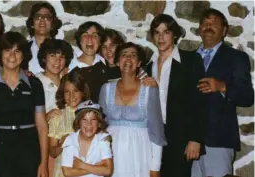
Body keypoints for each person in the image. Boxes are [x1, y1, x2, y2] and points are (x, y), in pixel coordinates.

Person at [192, 8, 254, 177]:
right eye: (205, 23)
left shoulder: (236, 58)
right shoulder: (188, 59)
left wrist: (222, 87)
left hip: (219, 140)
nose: (208, 26)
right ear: (199, 29)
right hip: (189, 143)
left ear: (224, 30)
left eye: (214, 23)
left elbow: (247, 97)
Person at [0, 31, 48, 177]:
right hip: (1, 149)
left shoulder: (34, 84)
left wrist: (44, 163)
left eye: (17, 51)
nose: (12, 55)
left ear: (23, 56)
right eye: (7, 50)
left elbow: (42, 126)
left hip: (30, 149)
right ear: (0, 54)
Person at [144, 14, 206, 177]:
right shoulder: (147, 66)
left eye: (166, 32)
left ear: (175, 34)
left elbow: (199, 102)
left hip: (180, 136)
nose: (161, 37)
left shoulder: (191, 61)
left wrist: (195, 138)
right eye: (157, 32)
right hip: (152, 136)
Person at [99, 42, 166, 177]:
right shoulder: (106, 89)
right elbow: (100, 125)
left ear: (139, 62)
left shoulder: (149, 89)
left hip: (140, 151)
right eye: (124, 55)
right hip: (111, 152)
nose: (128, 59)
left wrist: (155, 167)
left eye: (133, 55)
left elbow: (157, 131)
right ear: (117, 61)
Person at [48, 71, 91, 177]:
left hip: (85, 169)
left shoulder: (90, 115)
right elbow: (52, 153)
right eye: (67, 92)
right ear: (62, 93)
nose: (71, 95)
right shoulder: (57, 117)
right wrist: (62, 143)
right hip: (62, 171)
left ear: (83, 92)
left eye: (75, 91)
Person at [61, 100, 113, 177]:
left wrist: (81, 165)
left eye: (93, 119)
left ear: (99, 123)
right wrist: (96, 168)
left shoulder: (103, 139)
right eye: (84, 119)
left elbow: (108, 171)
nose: (89, 123)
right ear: (78, 122)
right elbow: (67, 172)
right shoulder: (70, 140)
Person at [68, 21, 108, 103]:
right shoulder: (69, 68)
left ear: (100, 42)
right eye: (85, 35)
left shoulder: (105, 63)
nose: (90, 39)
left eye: (94, 35)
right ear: (80, 41)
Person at [36, 39, 74, 113]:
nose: (58, 61)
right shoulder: (35, 82)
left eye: (62, 57)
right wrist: (45, 118)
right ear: (44, 58)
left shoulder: (68, 82)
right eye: (52, 56)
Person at [26, 2, 63, 74]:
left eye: (46, 17)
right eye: (38, 17)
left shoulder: (63, 48)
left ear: (52, 24)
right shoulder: (23, 49)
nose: (42, 20)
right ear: (32, 24)